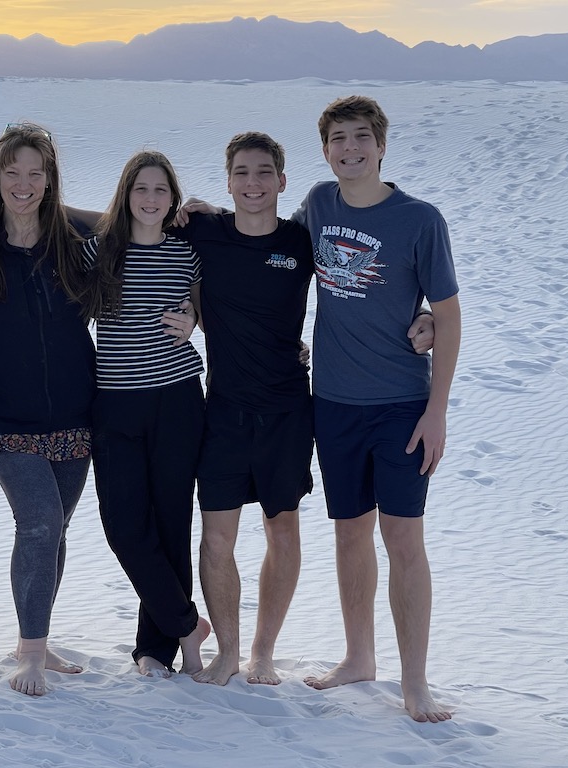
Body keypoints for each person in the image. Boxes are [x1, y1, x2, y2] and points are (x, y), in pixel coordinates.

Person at [173, 134, 435, 687]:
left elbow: (375, 278)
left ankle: (263, 652)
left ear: (282, 182)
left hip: (290, 410)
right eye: (241, 173)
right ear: (227, 182)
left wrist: (431, 316)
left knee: (282, 531)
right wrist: (190, 311)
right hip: (222, 410)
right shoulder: (204, 231)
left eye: (264, 173)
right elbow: (135, 227)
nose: (253, 183)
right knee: (216, 538)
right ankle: (227, 651)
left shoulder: (303, 238)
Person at [292, 95, 460, 723]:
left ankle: (414, 681)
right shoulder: (318, 204)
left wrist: (436, 410)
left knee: (403, 538)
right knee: (349, 533)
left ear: (382, 145)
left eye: (361, 137)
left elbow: (447, 315)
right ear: (326, 148)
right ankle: (359, 658)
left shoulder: (420, 219)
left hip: (401, 406)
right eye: (338, 138)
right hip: (332, 402)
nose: (350, 148)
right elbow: (270, 255)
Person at [0, 123, 94, 696]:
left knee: (55, 530)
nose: (24, 184)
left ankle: (36, 639)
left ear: (51, 179)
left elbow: (143, 225)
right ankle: (30, 654)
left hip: (75, 412)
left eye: (36, 173)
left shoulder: (77, 238)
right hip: (2, 416)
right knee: (38, 522)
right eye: (13, 172)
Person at [80, 150, 211, 678]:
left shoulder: (188, 253)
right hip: (114, 402)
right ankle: (186, 622)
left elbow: (207, 306)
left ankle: (155, 650)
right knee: (124, 527)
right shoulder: (99, 252)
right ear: (125, 195)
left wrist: (194, 316)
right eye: (141, 189)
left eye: (161, 190)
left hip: (178, 398)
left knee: (171, 525)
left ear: (172, 198)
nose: (151, 199)